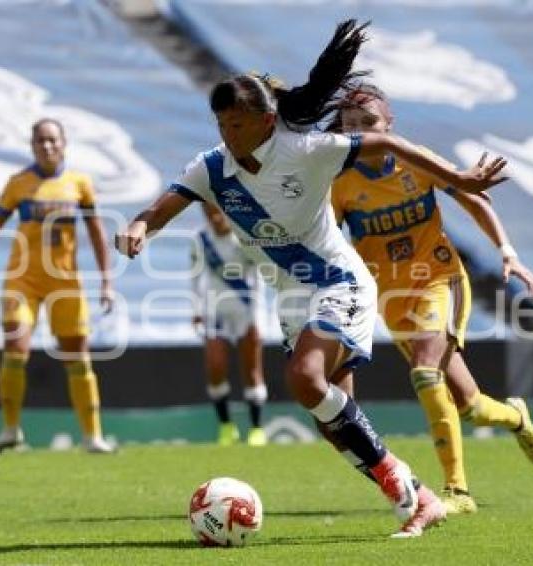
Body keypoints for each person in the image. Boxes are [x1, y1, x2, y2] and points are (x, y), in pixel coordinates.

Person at [116, 20, 508, 537]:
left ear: (266, 119)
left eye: (237, 125)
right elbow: (160, 208)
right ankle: (416, 496)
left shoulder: (306, 150)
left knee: (303, 379)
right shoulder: (211, 169)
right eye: (221, 126)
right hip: (292, 298)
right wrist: (140, 225)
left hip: (338, 282)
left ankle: (417, 493)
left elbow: (383, 140)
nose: (227, 136)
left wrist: (458, 179)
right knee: (329, 419)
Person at [329, 83, 533, 514]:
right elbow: (327, 239)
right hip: (390, 297)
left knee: (425, 372)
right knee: (471, 407)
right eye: (351, 126)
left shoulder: (416, 159)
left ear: (389, 125)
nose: (362, 133)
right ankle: (517, 418)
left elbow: (473, 199)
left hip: (438, 278)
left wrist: (508, 253)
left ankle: (458, 492)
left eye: (370, 123)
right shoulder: (339, 182)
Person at [0, 118, 117, 454]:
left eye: (53, 140)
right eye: (40, 141)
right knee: (15, 348)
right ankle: (10, 430)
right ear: (32, 146)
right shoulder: (18, 184)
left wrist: (106, 280)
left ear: (64, 143)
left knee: (77, 357)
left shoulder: (79, 183)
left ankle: (93, 436)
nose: (47, 146)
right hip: (22, 279)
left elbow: (96, 233)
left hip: (65, 282)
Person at [191, 202, 268, 446]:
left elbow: (260, 275)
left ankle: (256, 429)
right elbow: (195, 278)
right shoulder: (200, 240)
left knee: (251, 370)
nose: (215, 217)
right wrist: (196, 309)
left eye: (218, 210)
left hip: (246, 310)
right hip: (215, 310)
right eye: (208, 212)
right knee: (215, 366)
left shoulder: (244, 236)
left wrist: (258, 315)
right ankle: (226, 426)